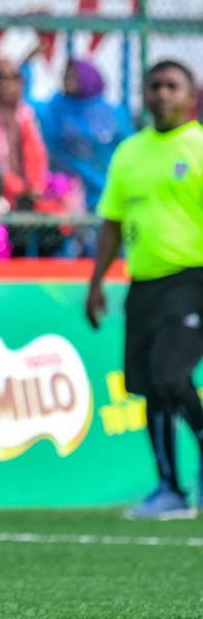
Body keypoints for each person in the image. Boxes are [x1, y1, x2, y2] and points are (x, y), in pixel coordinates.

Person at [87, 59, 203, 520]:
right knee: (150, 388)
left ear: (191, 96)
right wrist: (95, 282)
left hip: (193, 279)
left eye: (172, 86)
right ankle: (170, 490)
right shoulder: (129, 153)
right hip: (143, 284)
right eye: (154, 85)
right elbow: (111, 222)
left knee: (172, 374)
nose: (161, 93)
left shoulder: (198, 145)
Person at [41, 59, 130, 211]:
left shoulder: (113, 113)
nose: (67, 81)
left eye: (74, 76)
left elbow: (128, 146)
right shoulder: (54, 108)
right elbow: (24, 102)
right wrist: (26, 65)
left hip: (105, 186)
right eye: (65, 76)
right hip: (65, 192)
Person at [0, 58, 49, 209]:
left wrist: (34, 185)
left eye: (12, 78)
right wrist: (15, 186)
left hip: (23, 193)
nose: (5, 84)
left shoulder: (24, 113)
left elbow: (35, 154)